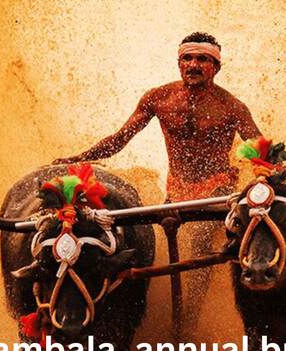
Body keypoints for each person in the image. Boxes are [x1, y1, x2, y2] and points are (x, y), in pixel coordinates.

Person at [55, 32, 263, 329]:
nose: (193, 65)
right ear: (178, 63)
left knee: (203, 237)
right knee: (138, 241)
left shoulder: (232, 107)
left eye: (202, 59)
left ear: (216, 67)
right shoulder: (158, 98)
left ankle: (189, 319)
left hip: (216, 192)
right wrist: (79, 159)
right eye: (187, 58)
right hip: (175, 190)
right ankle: (139, 314)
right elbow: (120, 139)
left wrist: (275, 172)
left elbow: (258, 148)